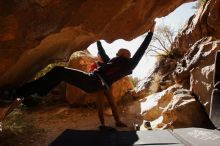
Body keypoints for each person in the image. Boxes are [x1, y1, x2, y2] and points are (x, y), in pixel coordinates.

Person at [1, 22, 155, 120]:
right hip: (92, 81)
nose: (115, 53)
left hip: (94, 82)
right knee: (59, 74)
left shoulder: (130, 64)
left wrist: (151, 32)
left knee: (58, 72)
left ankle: (16, 93)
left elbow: (142, 49)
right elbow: (104, 53)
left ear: (125, 54)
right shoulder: (113, 61)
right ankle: (36, 96)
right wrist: (98, 40)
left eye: (118, 52)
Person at [89, 41, 127, 127]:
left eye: (101, 56)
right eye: (99, 55)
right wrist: (96, 69)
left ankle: (118, 122)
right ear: (98, 56)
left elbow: (103, 53)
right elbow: (90, 74)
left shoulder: (108, 62)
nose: (100, 57)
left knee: (113, 104)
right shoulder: (94, 64)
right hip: (99, 87)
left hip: (108, 86)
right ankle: (102, 124)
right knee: (100, 106)